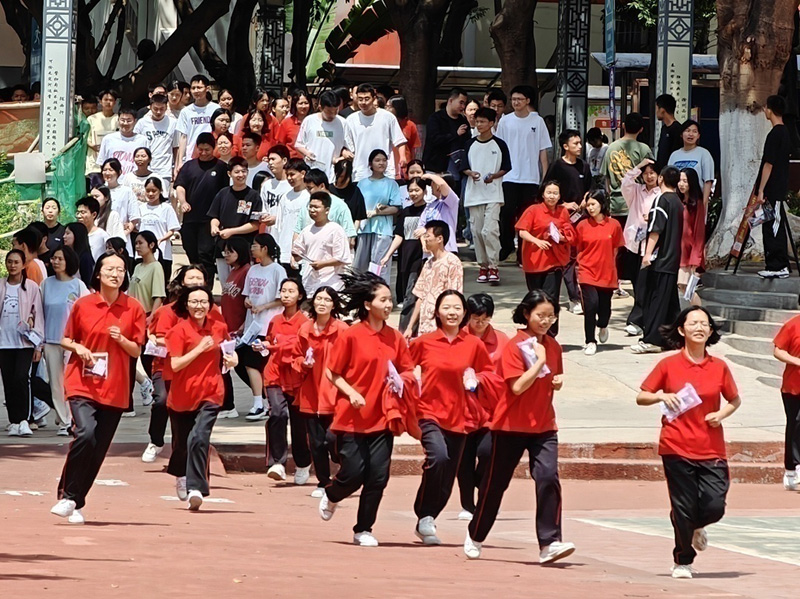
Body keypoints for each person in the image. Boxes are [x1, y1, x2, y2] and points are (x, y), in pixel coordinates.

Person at [465, 290, 575, 564]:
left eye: (551, 316)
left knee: (548, 477)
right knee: (495, 484)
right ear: (526, 314)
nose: (546, 321)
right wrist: (538, 362)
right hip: (510, 425)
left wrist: (556, 382)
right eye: (541, 315)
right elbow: (516, 387)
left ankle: (549, 542)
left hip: (544, 426)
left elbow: (552, 377)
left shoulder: (553, 346)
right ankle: (476, 533)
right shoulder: (515, 346)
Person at [636, 306, 741, 579]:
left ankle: (694, 525)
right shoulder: (668, 365)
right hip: (676, 445)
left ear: (711, 330)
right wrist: (662, 397)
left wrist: (721, 413)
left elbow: (734, 400)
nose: (699, 328)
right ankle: (683, 561)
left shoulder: (719, 367)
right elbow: (642, 396)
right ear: (682, 330)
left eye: (704, 323)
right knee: (683, 505)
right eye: (693, 323)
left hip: (711, 447)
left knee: (714, 505)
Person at [320, 271, 415, 547]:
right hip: (351, 417)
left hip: (383, 417)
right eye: (383, 300)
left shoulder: (395, 337)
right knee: (353, 473)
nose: (388, 304)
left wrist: (402, 381)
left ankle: (363, 528)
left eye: (390, 300)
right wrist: (351, 393)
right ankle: (333, 494)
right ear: (367, 304)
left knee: (378, 476)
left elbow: (408, 370)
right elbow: (332, 373)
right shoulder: (351, 335)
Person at [51, 251, 146, 524]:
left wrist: (122, 339)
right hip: (82, 382)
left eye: (120, 270)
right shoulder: (83, 305)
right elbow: (66, 340)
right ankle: (69, 495)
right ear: (98, 274)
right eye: (110, 269)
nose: (115, 274)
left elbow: (136, 350)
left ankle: (75, 501)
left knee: (98, 447)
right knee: (86, 434)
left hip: (115, 387)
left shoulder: (133, 308)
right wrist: (80, 348)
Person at [409, 290, 493, 545]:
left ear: (464, 313)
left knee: (448, 471)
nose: (452, 312)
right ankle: (424, 513)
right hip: (429, 412)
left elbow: (490, 374)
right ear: (437, 312)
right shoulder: (424, 342)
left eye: (457, 308)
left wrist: (476, 378)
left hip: (460, 416)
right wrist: (408, 384)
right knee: (439, 457)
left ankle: (428, 517)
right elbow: (403, 365)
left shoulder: (473, 344)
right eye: (447, 307)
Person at [166, 285, 237, 510]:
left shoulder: (219, 327)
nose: (199, 306)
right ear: (186, 304)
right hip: (182, 395)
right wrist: (198, 349)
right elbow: (175, 364)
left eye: (204, 302)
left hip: (211, 392)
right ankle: (181, 474)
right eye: (195, 302)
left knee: (199, 438)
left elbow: (229, 351)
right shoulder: (178, 331)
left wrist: (232, 360)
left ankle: (196, 487)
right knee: (181, 444)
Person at [291, 286, 348, 495]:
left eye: (327, 299)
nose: (322, 303)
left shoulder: (342, 330)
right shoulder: (305, 329)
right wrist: (302, 364)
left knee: (333, 439)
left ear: (334, 304)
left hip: (335, 392)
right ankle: (323, 482)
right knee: (315, 442)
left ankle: (343, 468)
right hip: (311, 392)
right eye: (318, 298)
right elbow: (295, 357)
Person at [457, 293, 508, 519]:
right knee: (463, 459)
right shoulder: (458, 339)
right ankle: (468, 506)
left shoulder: (502, 341)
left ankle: (482, 485)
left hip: (491, 410)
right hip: (462, 410)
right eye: (476, 318)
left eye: (485, 319)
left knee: (487, 453)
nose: (480, 324)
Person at [496, 85, 552, 263]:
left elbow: (543, 151)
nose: (516, 102)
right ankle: (507, 248)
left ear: (528, 100)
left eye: (520, 99)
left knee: (527, 217)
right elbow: (500, 148)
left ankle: (523, 254)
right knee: (507, 214)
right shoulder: (506, 121)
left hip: (530, 178)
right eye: (513, 99)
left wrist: (544, 177)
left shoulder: (538, 122)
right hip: (509, 177)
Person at [601, 112, 654, 298]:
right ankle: (637, 280)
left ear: (623, 125)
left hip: (616, 202)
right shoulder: (644, 148)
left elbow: (606, 178)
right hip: (638, 202)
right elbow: (650, 172)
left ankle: (615, 282)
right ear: (641, 129)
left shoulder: (611, 148)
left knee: (617, 246)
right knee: (638, 245)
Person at [264, 278, 312, 483]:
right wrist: (264, 345)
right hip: (275, 374)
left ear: (300, 295)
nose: (286, 295)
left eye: (291, 291)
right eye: (283, 290)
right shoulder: (275, 320)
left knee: (299, 425)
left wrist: (279, 346)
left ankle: (303, 464)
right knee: (277, 413)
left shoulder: (306, 323)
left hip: (298, 377)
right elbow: (269, 340)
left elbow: (299, 348)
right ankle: (278, 462)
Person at [633, 166, 684, 354]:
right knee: (669, 302)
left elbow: (656, 229)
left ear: (661, 178)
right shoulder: (678, 202)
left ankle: (652, 339)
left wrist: (647, 255)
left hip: (661, 259)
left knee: (655, 300)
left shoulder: (661, 200)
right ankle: (672, 339)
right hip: (673, 259)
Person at [515, 181, 576, 337]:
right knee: (536, 299)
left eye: (555, 193)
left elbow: (568, 231)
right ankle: (534, 333)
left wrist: (562, 237)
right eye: (549, 192)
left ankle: (550, 335)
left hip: (554, 261)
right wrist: (537, 241)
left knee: (551, 299)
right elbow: (522, 231)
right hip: (534, 261)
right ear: (543, 194)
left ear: (560, 196)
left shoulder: (563, 211)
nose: (552, 196)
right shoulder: (533, 210)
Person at [41, 247, 90, 436]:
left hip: (72, 342)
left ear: (68, 261)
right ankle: (63, 421)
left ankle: (73, 417)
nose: (55, 262)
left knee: (71, 381)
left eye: (60, 258)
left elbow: (86, 314)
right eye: (53, 258)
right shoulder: (46, 284)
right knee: (55, 382)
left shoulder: (78, 285)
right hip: (51, 340)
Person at [463, 107, 512, 285]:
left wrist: (493, 176)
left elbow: (506, 167)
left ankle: (493, 266)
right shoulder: (469, 144)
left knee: (490, 230)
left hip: (493, 194)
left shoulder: (500, 144)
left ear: (492, 123)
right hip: (474, 194)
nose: (479, 125)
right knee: (476, 232)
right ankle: (483, 266)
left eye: (483, 121)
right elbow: (463, 165)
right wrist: (470, 173)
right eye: (477, 121)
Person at [241, 234, 286, 420]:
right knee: (248, 362)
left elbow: (281, 297)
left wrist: (263, 307)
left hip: (267, 325)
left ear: (265, 248)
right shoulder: (252, 270)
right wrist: (248, 302)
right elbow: (246, 294)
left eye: (255, 245)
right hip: (251, 326)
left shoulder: (277, 270)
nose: (252, 248)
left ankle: (261, 403)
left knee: (254, 363)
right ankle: (263, 402)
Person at [0, 249, 44, 437]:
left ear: (23, 264)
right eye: (9, 262)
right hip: (3, 342)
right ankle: (14, 421)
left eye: (16, 262)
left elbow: (39, 316)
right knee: (8, 381)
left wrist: (38, 345)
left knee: (21, 378)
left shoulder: (32, 287)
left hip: (24, 342)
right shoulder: (1, 285)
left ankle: (25, 419)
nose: (12, 265)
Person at [575, 190, 623, 356]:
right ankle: (590, 340)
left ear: (602, 204)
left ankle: (603, 325)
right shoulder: (581, 226)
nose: (590, 208)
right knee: (590, 306)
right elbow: (578, 247)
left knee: (604, 308)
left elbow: (616, 248)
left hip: (607, 272)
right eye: (588, 205)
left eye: (593, 204)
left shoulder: (614, 225)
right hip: (587, 271)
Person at [175, 132, 230, 277]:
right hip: (190, 219)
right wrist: (183, 202)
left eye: (207, 150)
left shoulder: (221, 168)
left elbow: (225, 193)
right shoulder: (189, 166)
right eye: (201, 149)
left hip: (209, 220)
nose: (204, 153)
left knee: (205, 254)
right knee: (191, 253)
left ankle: (207, 286)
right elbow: (180, 186)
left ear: (214, 148)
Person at [379, 176, 427, 333]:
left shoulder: (429, 211)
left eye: (417, 190)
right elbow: (399, 236)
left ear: (425, 191)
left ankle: (404, 330)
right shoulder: (405, 212)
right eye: (411, 190)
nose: (413, 193)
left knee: (411, 296)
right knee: (408, 294)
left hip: (420, 258)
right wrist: (387, 255)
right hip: (405, 257)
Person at [621, 158, 661, 336]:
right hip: (634, 244)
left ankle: (638, 319)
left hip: (653, 245)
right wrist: (638, 167)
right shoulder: (636, 191)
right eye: (646, 173)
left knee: (648, 283)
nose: (649, 176)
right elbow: (625, 182)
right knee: (637, 283)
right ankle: (640, 319)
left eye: (652, 172)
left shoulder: (663, 194)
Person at [208, 156, 262, 286]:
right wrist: (214, 227)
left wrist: (232, 231)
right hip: (223, 247)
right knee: (226, 285)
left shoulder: (253, 195)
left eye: (244, 171)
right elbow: (214, 216)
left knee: (243, 285)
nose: (241, 175)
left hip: (244, 249)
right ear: (229, 174)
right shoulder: (223, 193)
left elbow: (255, 224)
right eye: (237, 172)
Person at [405, 220, 464, 338]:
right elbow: (420, 297)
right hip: (424, 327)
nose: (425, 239)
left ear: (439, 239)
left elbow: (454, 296)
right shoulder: (428, 263)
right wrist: (410, 327)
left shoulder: (452, 262)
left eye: (427, 236)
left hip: (441, 327)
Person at [756, 95, 793, 279]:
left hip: (773, 189)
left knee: (774, 226)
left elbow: (768, 164)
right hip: (776, 188)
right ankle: (775, 265)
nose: (764, 111)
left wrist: (761, 189)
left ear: (769, 109)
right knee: (770, 225)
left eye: (765, 108)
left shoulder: (775, 133)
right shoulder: (784, 132)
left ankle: (779, 265)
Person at [354, 149, 401, 282]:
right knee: (360, 266)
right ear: (370, 164)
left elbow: (396, 208)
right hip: (364, 228)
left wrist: (377, 212)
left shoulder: (392, 184)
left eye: (384, 160)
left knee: (379, 266)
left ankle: (379, 293)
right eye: (377, 160)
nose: (381, 163)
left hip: (383, 229)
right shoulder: (362, 184)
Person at [344, 83, 407, 181]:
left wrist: (403, 157)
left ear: (374, 98)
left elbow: (399, 140)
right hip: (360, 172)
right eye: (360, 99)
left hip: (385, 171)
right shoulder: (351, 120)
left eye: (367, 98)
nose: (363, 102)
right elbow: (346, 144)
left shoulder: (388, 117)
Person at [292, 192, 351, 294]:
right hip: (309, 283)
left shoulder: (336, 230)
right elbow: (298, 253)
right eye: (310, 207)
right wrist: (296, 255)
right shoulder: (306, 230)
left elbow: (341, 258)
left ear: (327, 210)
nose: (312, 210)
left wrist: (322, 264)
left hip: (331, 284)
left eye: (316, 207)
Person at [295, 90, 349, 181]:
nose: (333, 114)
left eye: (336, 111)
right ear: (320, 107)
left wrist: (341, 157)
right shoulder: (309, 121)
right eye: (329, 112)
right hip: (312, 171)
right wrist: (307, 153)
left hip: (333, 174)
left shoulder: (343, 123)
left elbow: (349, 147)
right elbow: (299, 144)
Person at [295, 169, 358, 246]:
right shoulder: (306, 204)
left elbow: (349, 236)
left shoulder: (340, 205)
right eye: (307, 189)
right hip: (307, 254)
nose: (308, 192)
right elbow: (298, 231)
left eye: (310, 188)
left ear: (322, 186)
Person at [773, 314, 800, 490]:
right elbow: (778, 350)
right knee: (796, 423)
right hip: (794, 386)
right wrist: (797, 361)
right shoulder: (792, 325)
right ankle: (793, 468)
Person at [134, 93, 179, 192]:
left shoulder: (173, 123)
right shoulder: (142, 123)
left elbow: (176, 147)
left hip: (164, 169)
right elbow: (135, 146)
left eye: (162, 109)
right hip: (145, 168)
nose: (158, 112)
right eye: (155, 109)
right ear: (150, 107)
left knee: (163, 197)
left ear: (166, 107)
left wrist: (175, 167)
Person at [138, 177, 181, 281]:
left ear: (160, 191)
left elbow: (172, 229)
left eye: (154, 191)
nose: (151, 194)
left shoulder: (166, 208)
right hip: (143, 252)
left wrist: (160, 240)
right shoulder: (141, 208)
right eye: (148, 191)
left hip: (162, 251)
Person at [175, 74, 220, 170]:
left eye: (199, 88)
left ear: (207, 88)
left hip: (213, 155)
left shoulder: (216, 109)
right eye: (193, 88)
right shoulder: (185, 112)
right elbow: (183, 137)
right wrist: (179, 162)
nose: (196, 91)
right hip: (191, 157)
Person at [422, 88, 469, 179]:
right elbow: (434, 139)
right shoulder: (435, 118)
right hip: (434, 167)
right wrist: (455, 134)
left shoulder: (463, 121)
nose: (463, 107)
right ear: (451, 100)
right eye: (461, 103)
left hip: (455, 169)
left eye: (464, 104)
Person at [668, 120, 714, 209]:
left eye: (694, 131)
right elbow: (669, 181)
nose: (691, 134)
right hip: (677, 202)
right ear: (681, 134)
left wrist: (703, 204)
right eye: (687, 131)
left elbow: (708, 181)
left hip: (696, 202)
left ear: (699, 136)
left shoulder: (704, 154)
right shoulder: (674, 155)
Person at [677, 168, 706, 299]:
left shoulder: (697, 204)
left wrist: (696, 259)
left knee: (687, 287)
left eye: (685, 181)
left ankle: (699, 314)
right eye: (680, 180)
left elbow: (699, 233)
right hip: (679, 252)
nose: (681, 184)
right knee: (682, 286)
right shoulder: (678, 202)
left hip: (690, 254)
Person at [417, 172, 461, 255]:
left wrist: (429, 175)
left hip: (447, 250)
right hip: (429, 252)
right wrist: (424, 245)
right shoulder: (429, 205)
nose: (430, 186)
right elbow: (420, 227)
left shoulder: (452, 201)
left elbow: (442, 184)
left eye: (433, 182)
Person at [100, 159, 140, 250]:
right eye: (105, 170)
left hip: (121, 241)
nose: (107, 173)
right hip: (101, 241)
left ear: (119, 172)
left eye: (111, 170)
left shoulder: (126, 191)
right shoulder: (98, 191)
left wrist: (121, 237)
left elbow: (134, 219)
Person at [97, 107, 147, 175]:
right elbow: (102, 162)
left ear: (135, 122)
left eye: (129, 121)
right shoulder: (108, 139)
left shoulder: (143, 140)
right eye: (122, 120)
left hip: (135, 182)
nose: (125, 123)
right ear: (118, 120)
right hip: (113, 183)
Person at [129, 231, 167, 316]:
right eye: (136, 243)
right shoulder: (137, 267)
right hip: (132, 314)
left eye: (140, 243)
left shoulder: (156, 267)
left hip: (145, 314)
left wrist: (152, 317)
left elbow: (158, 296)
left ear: (151, 245)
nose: (137, 246)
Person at [86, 90, 119, 184]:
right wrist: (92, 145)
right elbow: (86, 138)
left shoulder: (118, 119)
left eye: (111, 100)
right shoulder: (91, 119)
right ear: (100, 101)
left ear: (115, 102)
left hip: (112, 161)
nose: (108, 102)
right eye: (105, 99)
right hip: (95, 162)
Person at [386, 95, 420, 176]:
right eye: (386, 106)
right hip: (387, 165)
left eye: (389, 107)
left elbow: (414, 149)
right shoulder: (384, 124)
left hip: (404, 167)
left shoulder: (410, 125)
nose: (386, 109)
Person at [332, 159, 367, 230]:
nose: (343, 180)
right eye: (341, 177)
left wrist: (353, 236)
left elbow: (358, 217)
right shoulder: (329, 190)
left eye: (346, 177)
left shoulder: (355, 191)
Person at [277, 90, 312, 158]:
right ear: (294, 104)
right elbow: (280, 145)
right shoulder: (286, 122)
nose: (303, 106)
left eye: (306, 103)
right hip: (292, 163)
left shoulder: (315, 122)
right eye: (300, 103)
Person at [655, 94, 684, 171]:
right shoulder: (664, 128)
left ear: (662, 110)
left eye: (656, 108)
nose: (656, 112)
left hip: (671, 174)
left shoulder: (677, 129)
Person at [41, 198, 66, 266]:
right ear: (42, 211)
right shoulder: (37, 229)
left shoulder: (64, 231)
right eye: (47, 208)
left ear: (59, 212)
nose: (50, 211)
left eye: (54, 208)